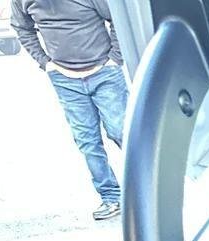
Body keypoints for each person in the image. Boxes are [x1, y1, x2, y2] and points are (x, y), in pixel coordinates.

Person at [11, 0, 128, 220]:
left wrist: (116, 58)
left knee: (121, 131)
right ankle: (111, 198)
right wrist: (45, 62)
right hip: (64, 78)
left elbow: (118, 20)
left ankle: (151, 186)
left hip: (104, 72)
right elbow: (21, 27)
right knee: (87, 141)